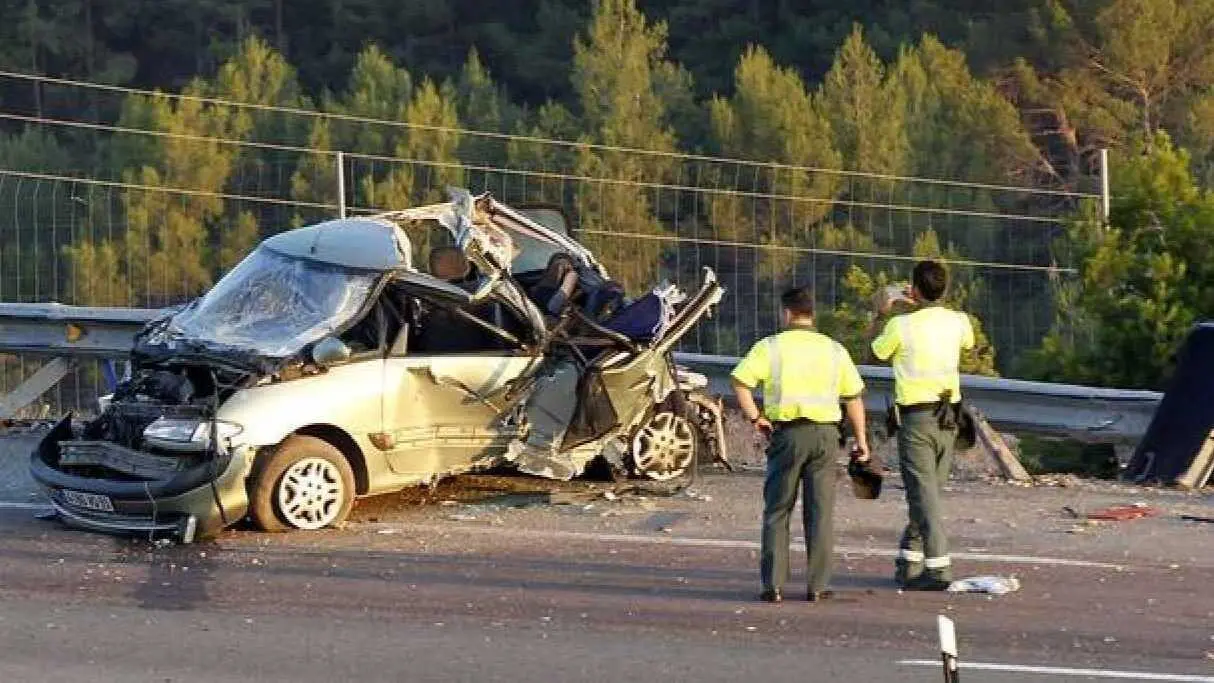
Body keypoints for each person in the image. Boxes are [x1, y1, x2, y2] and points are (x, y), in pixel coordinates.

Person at [731, 286, 869, 604]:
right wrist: (861, 441)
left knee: (778, 509)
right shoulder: (835, 349)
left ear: (787, 313)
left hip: (788, 435)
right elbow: (853, 398)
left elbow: (740, 382)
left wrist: (756, 418)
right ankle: (818, 585)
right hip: (825, 437)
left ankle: (773, 585)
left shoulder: (771, 347)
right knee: (820, 512)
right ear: (812, 314)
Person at [870, 259, 975, 591]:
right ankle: (910, 562)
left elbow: (874, 354)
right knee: (929, 495)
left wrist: (881, 311)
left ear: (912, 290)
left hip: (917, 420)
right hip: (949, 418)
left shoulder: (900, 326)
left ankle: (936, 569)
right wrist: (925, 303)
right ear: (944, 289)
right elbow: (968, 343)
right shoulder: (958, 322)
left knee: (924, 497)